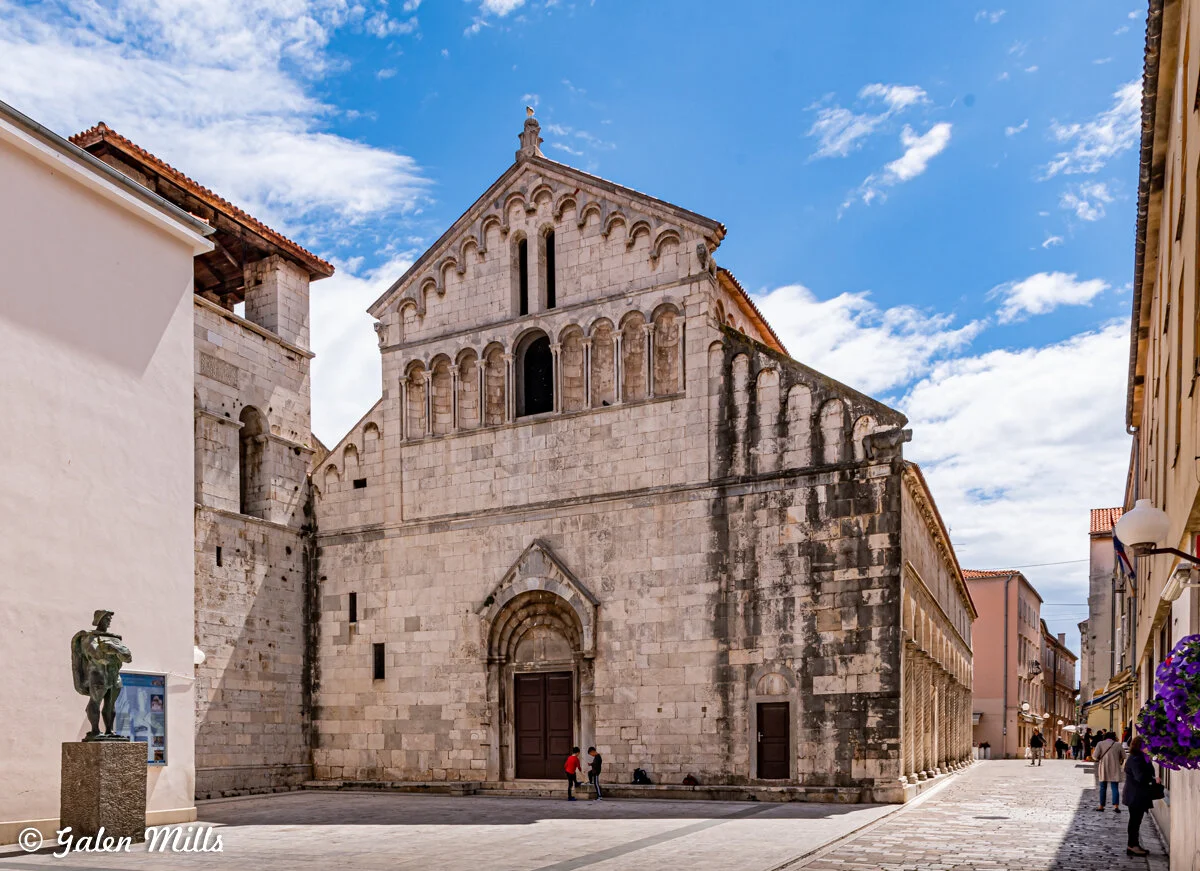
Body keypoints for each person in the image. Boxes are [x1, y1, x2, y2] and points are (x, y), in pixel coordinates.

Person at [1123, 735, 1157, 857]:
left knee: (1136, 822)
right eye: (1146, 745)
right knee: (1135, 822)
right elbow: (1140, 777)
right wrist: (1153, 779)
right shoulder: (1137, 759)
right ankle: (1132, 846)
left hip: (1136, 795)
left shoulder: (1140, 757)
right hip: (1135, 795)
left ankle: (1133, 845)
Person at [1094, 730, 1125, 812]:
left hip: (1103, 767)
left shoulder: (1100, 744)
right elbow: (1124, 756)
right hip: (1115, 767)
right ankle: (1116, 806)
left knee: (1103, 787)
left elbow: (1094, 756)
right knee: (1115, 787)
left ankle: (1101, 806)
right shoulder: (1118, 744)